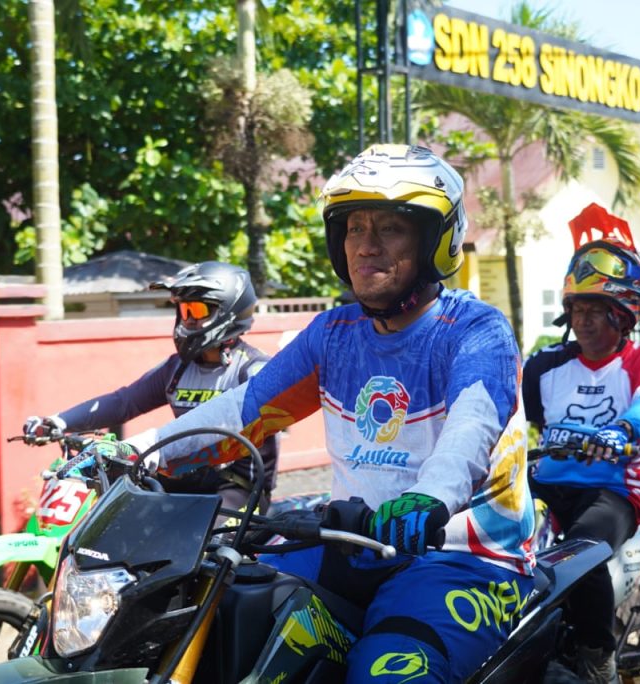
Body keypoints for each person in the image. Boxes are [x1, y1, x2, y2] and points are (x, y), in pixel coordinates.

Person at [122, 144, 536, 683]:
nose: (365, 247)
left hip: (463, 556)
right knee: (222, 616)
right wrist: (136, 449)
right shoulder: (331, 335)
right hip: (352, 541)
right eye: (353, 228)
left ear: (437, 240)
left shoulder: (476, 330)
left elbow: (470, 427)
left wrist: (432, 498)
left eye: (390, 229)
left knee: (384, 675)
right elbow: (241, 411)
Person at [522, 203, 640, 684]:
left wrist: (626, 430)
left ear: (623, 315)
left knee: (580, 553)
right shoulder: (544, 365)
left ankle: (597, 657)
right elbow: (506, 417)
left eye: (596, 311)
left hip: (612, 492)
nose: (584, 320)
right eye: (577, 309)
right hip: (543, 484)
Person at [23, 260, 278, 513]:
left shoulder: (254, 370)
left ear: (228, 313)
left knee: (206, 547)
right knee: (115, 524)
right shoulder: (177, 368)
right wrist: (59, 422)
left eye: (197, 311)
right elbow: (125, 402)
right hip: (182, 480)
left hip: (238, 487)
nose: (187, 321)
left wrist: (147, 448)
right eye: (184, 311)